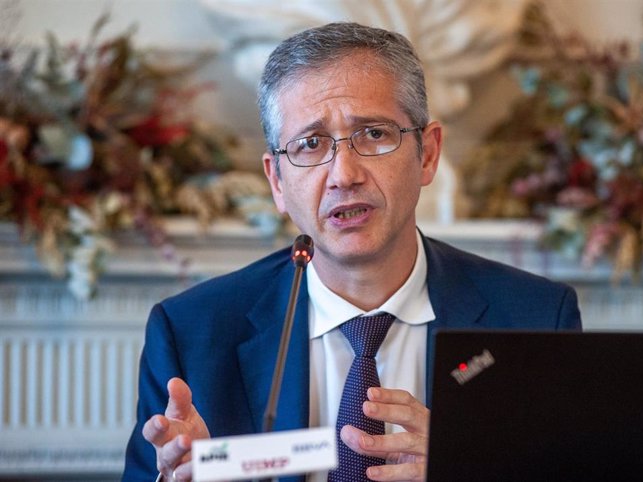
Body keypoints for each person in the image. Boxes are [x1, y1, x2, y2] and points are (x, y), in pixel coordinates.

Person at [123, 22, 581, 482]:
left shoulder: (535, 318)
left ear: (427, 154)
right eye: (310, 144)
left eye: (374, 134)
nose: (344, 174)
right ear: (277, 181)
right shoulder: (191, 334)